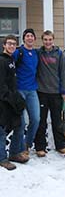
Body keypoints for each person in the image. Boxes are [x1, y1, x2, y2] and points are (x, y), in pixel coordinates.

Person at [34, 30, 65, 157]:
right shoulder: (38, 53)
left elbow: (64, 73)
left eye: (50, 40)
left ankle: (61, 145)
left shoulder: (59, 54)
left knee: (57, 121)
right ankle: (40, 147)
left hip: (56, 93)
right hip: (41, 92)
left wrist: (64, 91)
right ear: (42, 40)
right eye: (45, 40)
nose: (48, 42)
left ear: (53, 40)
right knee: (41, 121)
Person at [0, 35, 29, 170]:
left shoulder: (11, 60)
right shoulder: (1, 60)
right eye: (9, 44)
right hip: (3, 101)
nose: (11, 46)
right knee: (2, 130)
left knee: (20, 125)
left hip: (12, 98)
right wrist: (11, 99)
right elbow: (2, 85)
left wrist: (17, 99)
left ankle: (14, 153)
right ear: (4, 45)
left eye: (14, 44)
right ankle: (2, 158)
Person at [13, 28, 40, 155]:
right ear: (24, 38)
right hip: (19, 90)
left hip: (32, 90)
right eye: (27, 36)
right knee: (21, 122)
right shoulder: (18, 52)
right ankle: (19, 149)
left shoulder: (36, 53)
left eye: (31, 36)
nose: (29, 38)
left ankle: (27, 144)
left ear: (34, 39)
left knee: (35, 119)